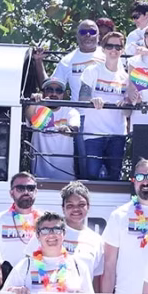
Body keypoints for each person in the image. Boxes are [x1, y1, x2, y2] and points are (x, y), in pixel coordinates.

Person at [101, 159, 148, 294]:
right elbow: (109, 266)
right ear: (134, 181)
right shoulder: (118, 215)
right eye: (140, 177)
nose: (145, 181)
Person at [43, 20, 105, 179]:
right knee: (85, 165)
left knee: (110, 163)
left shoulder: (108, 54)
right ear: (77, 36)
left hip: (109, 116)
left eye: (92, 31)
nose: (88, 35)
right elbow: (52, 85)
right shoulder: (67, 60)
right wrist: (38, 62)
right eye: (83, 32)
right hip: (82, 117)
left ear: (98, 35)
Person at [25, 181, 104, 292]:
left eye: (81, 205)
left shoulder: (96, 240)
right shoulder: (48, 232)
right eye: (70, 205)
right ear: (63, 208)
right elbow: (27, 264)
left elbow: (96, 278)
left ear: (88, 206)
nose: (76, 209)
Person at [79, 31, 130, 180]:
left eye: (118, 47)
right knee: (91, 175)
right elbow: (82, 98)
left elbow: (127, 113)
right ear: (103, 49)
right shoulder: (92, 70)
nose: (113, 50)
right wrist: (93, 100)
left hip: (117, 134)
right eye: (109, 46)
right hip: (94, 133)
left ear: (122, 50)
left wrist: (126, 104)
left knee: (114, 177)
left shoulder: (126, 77)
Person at [25, 77, 80, 181]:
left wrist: (67, 130)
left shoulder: (70, 111)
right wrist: (33, 101)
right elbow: (29, 117)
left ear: (63, 94)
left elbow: (74, 129)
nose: (54, 93)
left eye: (58, 90)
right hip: (39, 176)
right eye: (49, 89)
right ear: (43, 92)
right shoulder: (37, 109)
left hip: (66, 177)